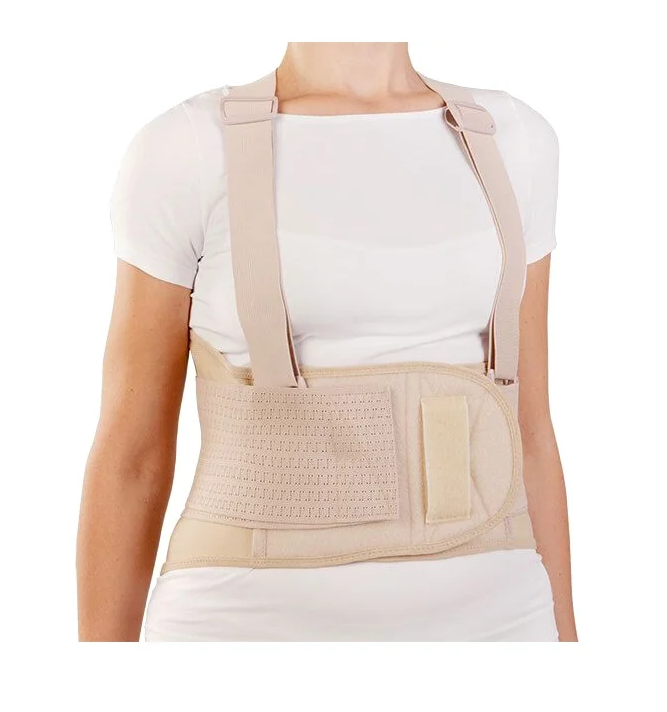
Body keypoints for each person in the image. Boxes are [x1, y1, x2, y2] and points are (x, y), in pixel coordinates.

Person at [76, 42, 577, 642]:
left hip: (501, 617)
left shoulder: (513, 138)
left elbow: (531, 431)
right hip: (243, 620)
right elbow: (132, 452)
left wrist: (568, 646)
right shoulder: (188, 147)